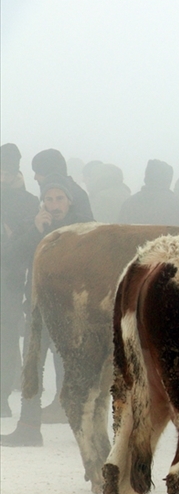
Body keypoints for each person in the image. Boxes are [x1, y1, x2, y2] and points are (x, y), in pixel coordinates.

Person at [1, 175, 94, 446]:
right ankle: (29, 428)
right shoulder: (35, 226)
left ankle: (85, 430)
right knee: (32, 368)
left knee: (75, 369)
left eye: (59, 199)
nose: (54, 205)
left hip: (71, 311)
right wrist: (35, 230)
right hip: (39, 309)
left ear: (69, 201)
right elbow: (9, 257)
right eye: (49, 199)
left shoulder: (83, 229)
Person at [0, 144, 39, 417]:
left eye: (7, 171)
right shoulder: (27, 201)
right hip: (11, 275)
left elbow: (29, 239)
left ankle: (1, 396)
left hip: (10, 277)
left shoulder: (27, 201)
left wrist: (14, 237)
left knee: (6, 335)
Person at [117, 160, 179, 227]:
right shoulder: (178, 205)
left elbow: (119, 233)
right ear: (168, 180)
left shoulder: (129, 204)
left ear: (146, 177)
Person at [31, 149, 93, 221]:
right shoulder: (76, 192)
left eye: (38, 172)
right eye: (49, 199)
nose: (35, 177)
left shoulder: (76, 195)